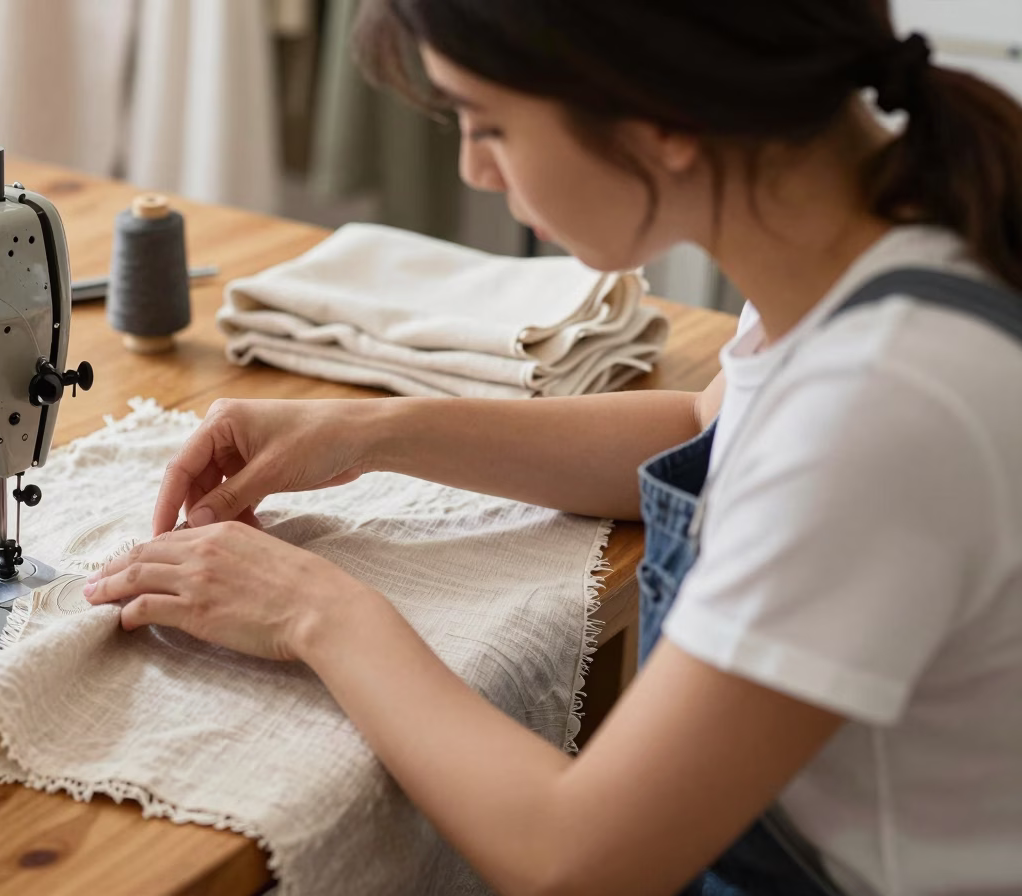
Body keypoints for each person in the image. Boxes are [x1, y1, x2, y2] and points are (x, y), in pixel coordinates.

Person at [83, 1, 1022, 893]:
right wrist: (365, 432)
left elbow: (573, 856)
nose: (475, 172)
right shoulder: (879, 231)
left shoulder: (880, 407)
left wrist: (311, 611)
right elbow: (708, 424)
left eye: (487, 125)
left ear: (661, 118)